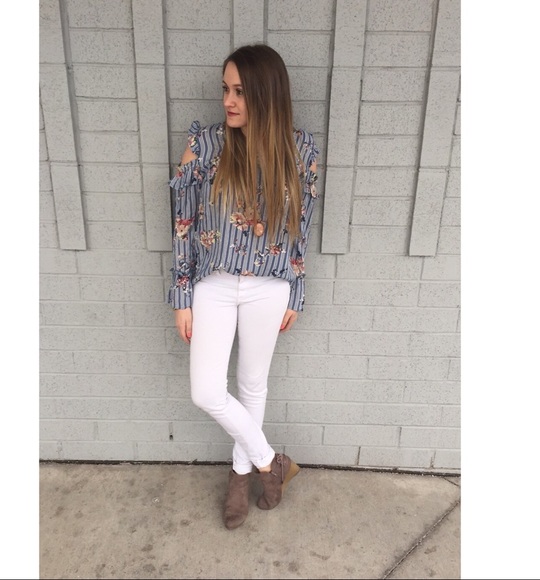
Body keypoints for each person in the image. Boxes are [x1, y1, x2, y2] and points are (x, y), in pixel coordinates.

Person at [167, 44, 319, 530]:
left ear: (265, 94)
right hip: (213, 284)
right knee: (206, 391)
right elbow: (182, 224)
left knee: (253, 385)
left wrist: (296, 289)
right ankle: (272, 462)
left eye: (239, 91)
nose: (228, 101)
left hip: (269, 286)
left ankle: (240, 476)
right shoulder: (206, 145)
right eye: (225, 89)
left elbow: (301, 228)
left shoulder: (301, 151)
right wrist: (182, 296)